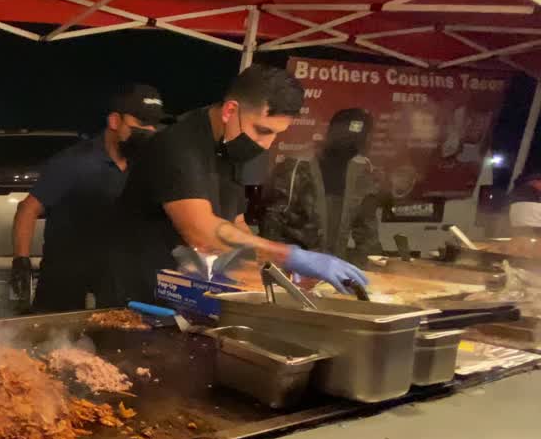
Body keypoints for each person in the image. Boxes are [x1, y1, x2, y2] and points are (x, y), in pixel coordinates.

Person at [101, 65, 368, 307]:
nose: (268, 144)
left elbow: (235, 222)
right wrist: (289, 255)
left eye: (277, 134)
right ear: (230, 110)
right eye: (263, 131)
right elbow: (202, 231)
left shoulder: (232, 148)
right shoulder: (178, 146)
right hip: (139, 294)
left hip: (187, 288)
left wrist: (270, 274)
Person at [10, 84, 164, 312]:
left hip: (115, 285)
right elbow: (27, 209)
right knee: (53, 345)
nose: (150, 130)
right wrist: (21, 263)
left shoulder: (145, 165)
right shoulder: (74, 162)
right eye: (142, 123)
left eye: (154, 124)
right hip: (64, 282)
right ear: (114, 121)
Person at [262, 108, 384, 265]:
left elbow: (367, 233)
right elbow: (272, 225)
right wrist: (278, 266)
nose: (352, 141)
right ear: (331, 132)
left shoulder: (362, 171)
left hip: (334, 270)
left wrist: (374, 272)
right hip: (294, 268)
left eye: (360, 137)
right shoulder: (297, 166)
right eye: (347, 134)